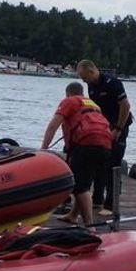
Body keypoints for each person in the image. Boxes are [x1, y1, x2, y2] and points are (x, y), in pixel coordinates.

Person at [40, 82, 111, 227]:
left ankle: (89, 226)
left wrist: (43, 149)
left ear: (68, 93)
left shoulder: (69, 101)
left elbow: (54, 124)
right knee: (84, 181)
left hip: (86, 143)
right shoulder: (94, 105)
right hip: (105, 145)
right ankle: (73, 215)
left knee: (80, 187)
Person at [76, 59, 133, 215]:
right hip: (104, 127)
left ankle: (111, 204)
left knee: (113, 164)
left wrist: (118, 129)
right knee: (99, 162)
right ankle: (97, 200)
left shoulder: (112, 83)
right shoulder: (91, 86)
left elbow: (126, 106)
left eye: (84, 77)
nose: (83, 80)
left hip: (120, 125)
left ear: (91, 71)